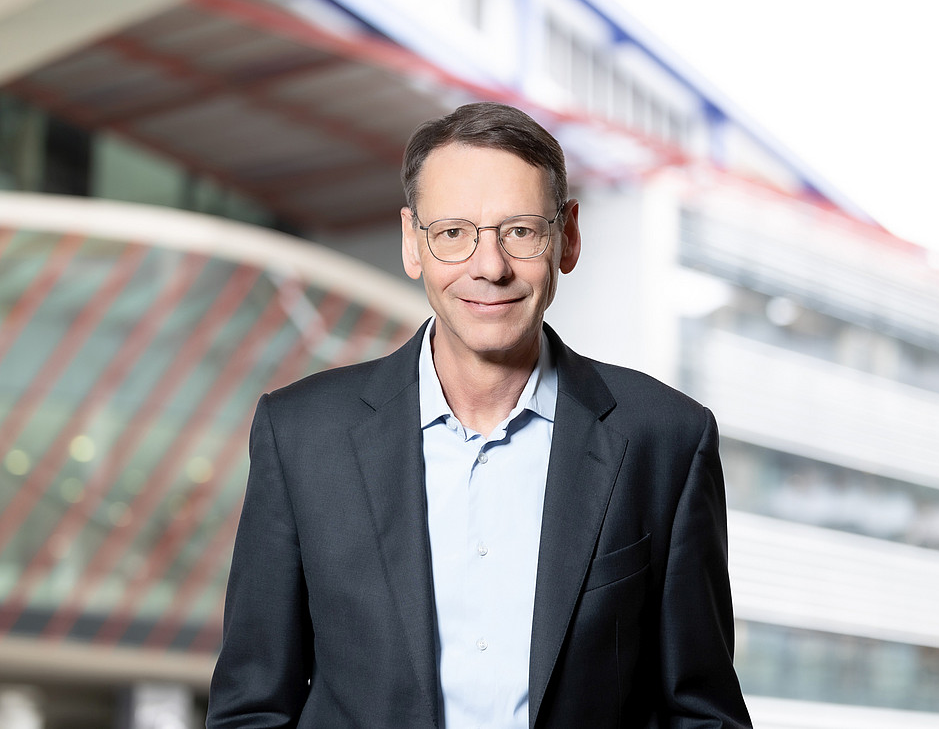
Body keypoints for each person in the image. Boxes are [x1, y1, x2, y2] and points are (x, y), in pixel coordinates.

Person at [207, 102, 752, 728]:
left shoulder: (665, 440)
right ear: (414, 243)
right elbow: (252, 708)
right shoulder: (301, 435)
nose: (488, 267)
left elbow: (702, 715)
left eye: (519, 231)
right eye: (453, 233)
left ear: (567, 238)